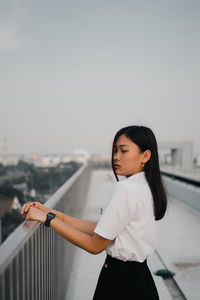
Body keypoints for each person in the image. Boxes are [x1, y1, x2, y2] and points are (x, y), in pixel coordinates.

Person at [21, 125, 167, 300]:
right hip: (141, 280)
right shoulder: (145, 186)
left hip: (120, 284)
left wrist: (48, 220)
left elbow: (94, 246)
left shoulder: (126, 189)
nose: (116, 157)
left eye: (123, 151)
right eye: (114, 151)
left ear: (145, 156)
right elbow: (102, 228)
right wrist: (53, 213)